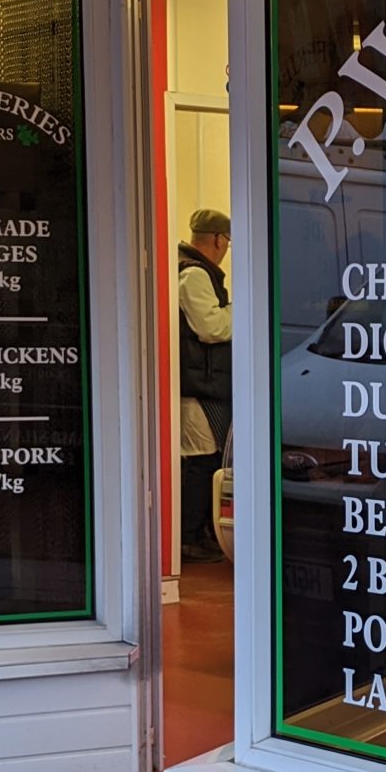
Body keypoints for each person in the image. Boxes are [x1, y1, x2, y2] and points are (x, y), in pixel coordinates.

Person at [177, 209, 233, 564]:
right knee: (203, 460)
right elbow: (210, 327)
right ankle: (189, 536)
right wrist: (239, 310)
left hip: (203, 385)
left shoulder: (194, 271)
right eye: (227, 241)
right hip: (198, 388)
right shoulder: (195, 274)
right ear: (217, 239)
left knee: (206, 458)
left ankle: (198, 533)